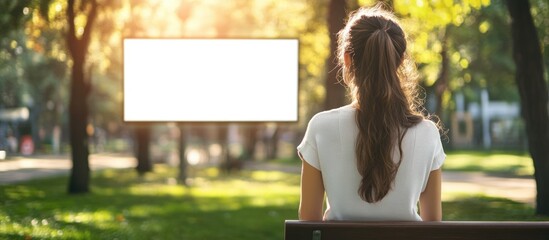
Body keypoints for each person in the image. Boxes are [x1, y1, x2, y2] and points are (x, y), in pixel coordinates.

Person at [297, 5, 445, 222]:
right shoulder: (427, 133)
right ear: (400, 60)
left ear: (347, 59)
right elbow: (434, 225)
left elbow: (309, 221)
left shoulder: (321, 127)